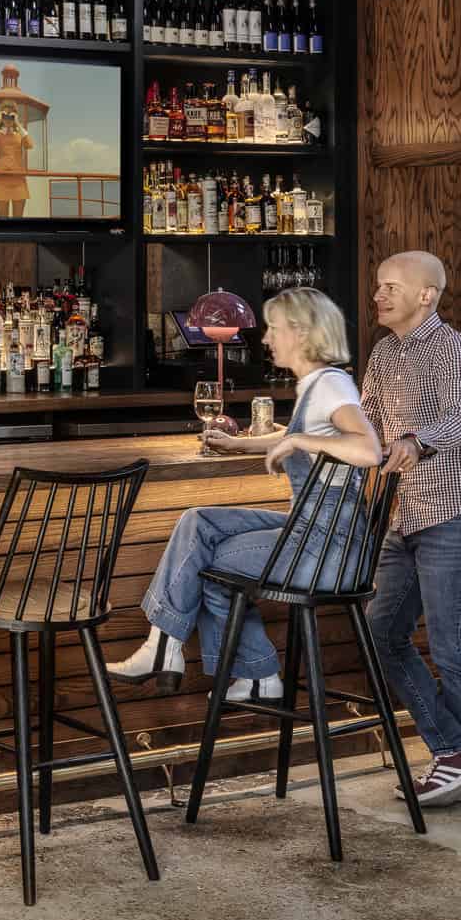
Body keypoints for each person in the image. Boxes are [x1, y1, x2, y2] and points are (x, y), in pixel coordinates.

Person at [104, 288, 382, 699]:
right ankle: (183, 653)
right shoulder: (317, 384)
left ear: (301, 333)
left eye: (273, 329)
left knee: (204, 563)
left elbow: (368, 449)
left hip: (329, 548)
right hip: (314, 533)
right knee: (198, 521)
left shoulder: (330, 387)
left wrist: (298, 442)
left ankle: (237, 668)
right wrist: (243, 444)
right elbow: (302, 434)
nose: (265, 339)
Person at [362, 250, 461, 808]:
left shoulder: (454, 349)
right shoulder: (383, 352)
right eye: (378, 287)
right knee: (381, 635)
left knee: (452, 649)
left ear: (426, 295)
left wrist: (415, 441)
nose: (379, 295)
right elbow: (366, 422)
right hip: (406, 517)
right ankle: (458, 754)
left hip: (459, 516)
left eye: (391, 287)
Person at [0, 102, 32, 219]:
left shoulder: (19, 135)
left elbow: (29, 145)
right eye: (5, 116)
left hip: (18, 181)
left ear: (15, 116)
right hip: (2, 180)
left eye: (10, 116)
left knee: (18, 220)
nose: (8, 119)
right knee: (3, 220)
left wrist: (17, 123)